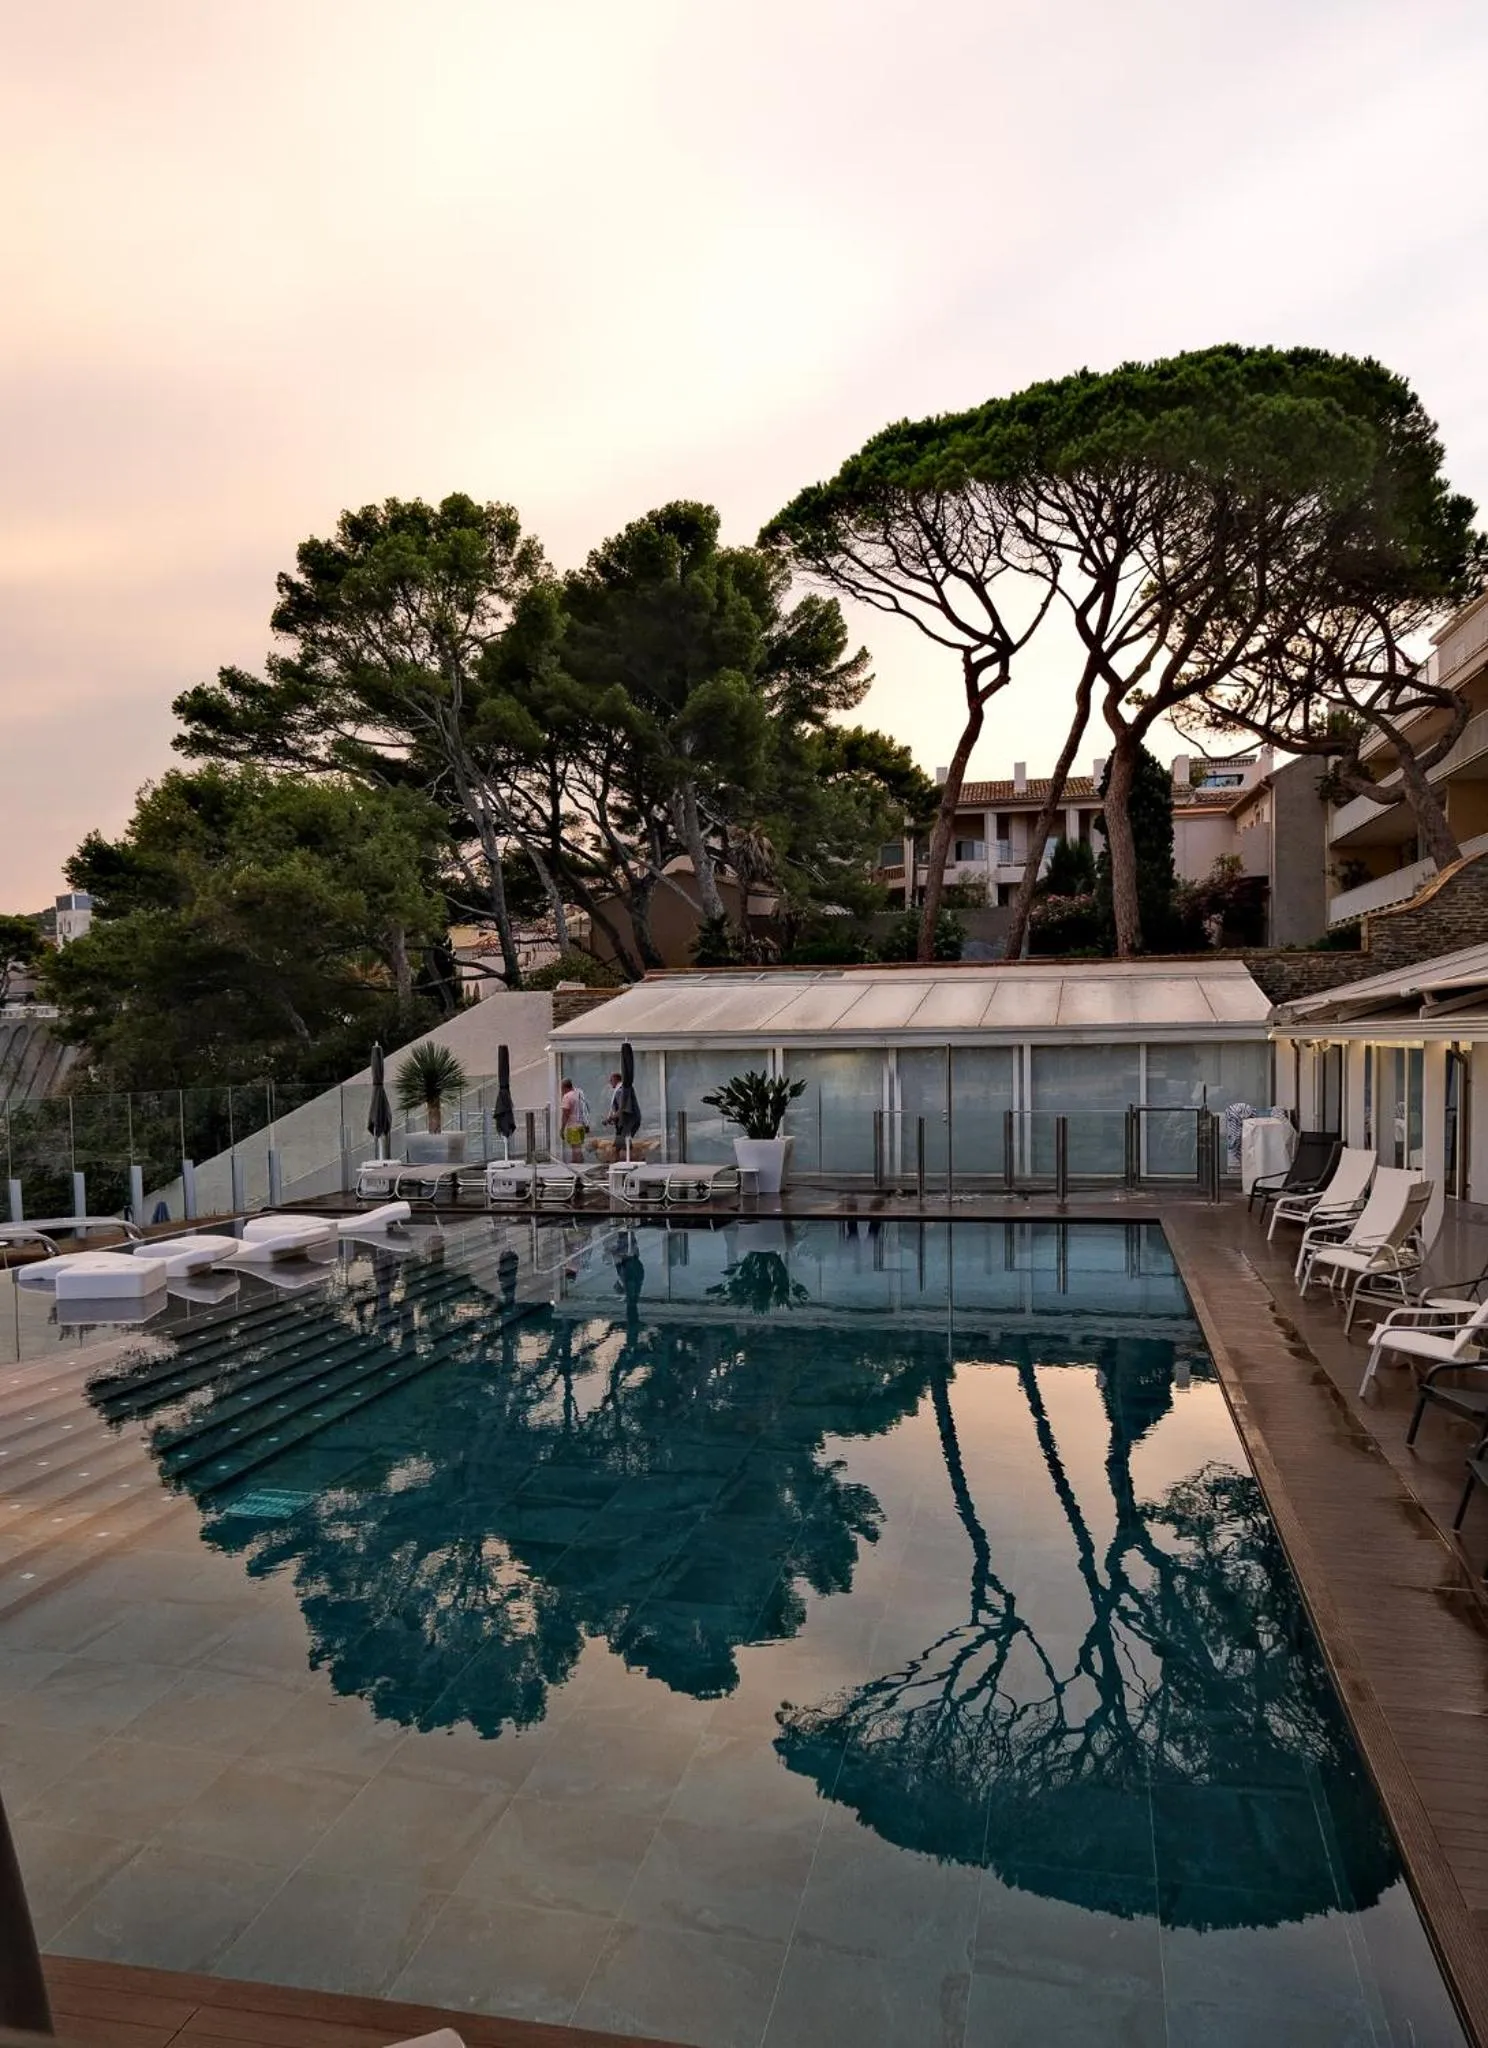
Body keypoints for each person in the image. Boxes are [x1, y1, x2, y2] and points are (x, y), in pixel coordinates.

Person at [559, 1077, 592, 1163]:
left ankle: (578, 1165)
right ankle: (577, 1163)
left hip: (573, 1126)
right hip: (581, 1126)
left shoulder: (567, 1097)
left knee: (575, 1149)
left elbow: (565, 1114)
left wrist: (562, 1129)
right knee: (578, 1148)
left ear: (564, 1087)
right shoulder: (578, 1094)